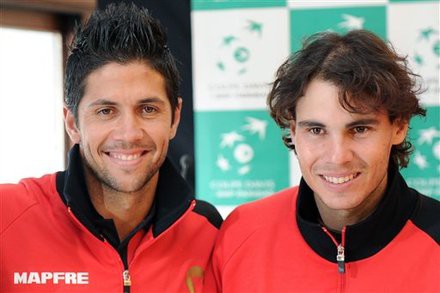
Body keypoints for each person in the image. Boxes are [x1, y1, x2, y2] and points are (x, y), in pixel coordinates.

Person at [0, 3, 222, 292]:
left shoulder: (208, 232)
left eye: (148, 109)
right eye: (106, 111)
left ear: (174, 118)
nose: (129, 133)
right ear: (72, 124)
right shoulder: (8, 217)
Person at [205, 30, 440, 292]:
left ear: (399, 126)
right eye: (316, 130)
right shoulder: (241, 233)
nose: (338, 156)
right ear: (293, 131)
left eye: (359, 129)